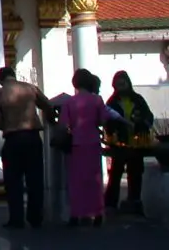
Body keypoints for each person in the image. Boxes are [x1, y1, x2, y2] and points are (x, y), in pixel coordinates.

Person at [0, 66, 52, 229]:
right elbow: (47, 104)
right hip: (32, 137)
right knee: (35, 179)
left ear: (0, 80)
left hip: (13, 139)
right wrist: (52, 120)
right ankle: (35, 216)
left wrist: (7, 124)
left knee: (13, 181)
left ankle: (16, 218)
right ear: (13, 76)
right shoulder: (30, 88)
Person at [60, 69, 112, 227]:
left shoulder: (69, 102)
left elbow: (63, 124)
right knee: (94, 180)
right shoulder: (97, 100)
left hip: (77, 143)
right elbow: (103, 120)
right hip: (93, 142)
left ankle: (77, 213)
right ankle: (97, 213)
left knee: (77, 180)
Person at [103, 70, 154, 214]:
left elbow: (149, 116)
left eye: (123, 83)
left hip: (137, 143)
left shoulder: (138, 99)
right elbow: (108, 120)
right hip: (119, 143)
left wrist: (142, 122)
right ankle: (111, 203)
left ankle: (135, 201)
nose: (121, 86)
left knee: (136, 173)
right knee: (116, 173)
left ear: (128, 83)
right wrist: (112, 133)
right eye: (118, 84)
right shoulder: (112, 102)